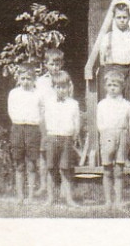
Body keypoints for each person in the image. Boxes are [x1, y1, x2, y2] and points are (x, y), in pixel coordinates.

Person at [97, 69, 130, 208]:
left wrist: (126, 139)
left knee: (119, 171)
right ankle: (108, 201)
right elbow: (99, 124)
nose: (112, 88)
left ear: (122, 86)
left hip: (122, 136)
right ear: (105, 86)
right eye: (110, 85)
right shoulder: (102, 104)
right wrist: (106, 135)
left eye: (116, 85)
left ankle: (118, 201)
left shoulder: (127, 105)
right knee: (107, 170)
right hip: (107, 136)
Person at [42, 71, 80, 207]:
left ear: (69, 87)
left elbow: (76, 122)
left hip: (67, 138)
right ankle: (50, 199)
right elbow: (45, 120)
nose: (61, 90)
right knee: (51, 169)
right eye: (58, 87)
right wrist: (47, 137)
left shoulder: (73, 104)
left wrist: (74, 136)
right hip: (52, 137)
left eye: (64, 87)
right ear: (53, 88)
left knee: (65, 169)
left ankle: (69, 199)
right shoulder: (48, 103)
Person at [7, 65, 42, 203]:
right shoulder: (14, 93)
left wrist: (35, 122)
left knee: (32, 163)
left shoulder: (38, 94)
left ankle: (31, 196)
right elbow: (11, 110)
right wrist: (20, 121)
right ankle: (20, 196)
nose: (26, 81)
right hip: (18, 128)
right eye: (23, 78)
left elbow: (42, 111)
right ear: (18, 79)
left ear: (34, 79)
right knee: (19, 163)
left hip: (33, 129)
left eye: (29, 78)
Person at [98, 2, 130, 108]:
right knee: (113, 102)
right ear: (114, 18)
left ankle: (129, 124)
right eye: (119, 17)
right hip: (113, 69)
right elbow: (103, 59)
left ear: (129, 17)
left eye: (124, 17)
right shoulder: (108, 37)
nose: (122, 20)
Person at [36, 47, 65, 197]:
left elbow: (68, 99)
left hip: (59, 120)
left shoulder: (64, 80)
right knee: (43, 152)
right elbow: (38, 101)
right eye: (51, 64)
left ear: (61, 64)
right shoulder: (41, 81)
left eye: (57, 64)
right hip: (44, 120)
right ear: (45, 64)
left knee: (59, 152)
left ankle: (59, 184)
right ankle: (43, 185)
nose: (55, 67)